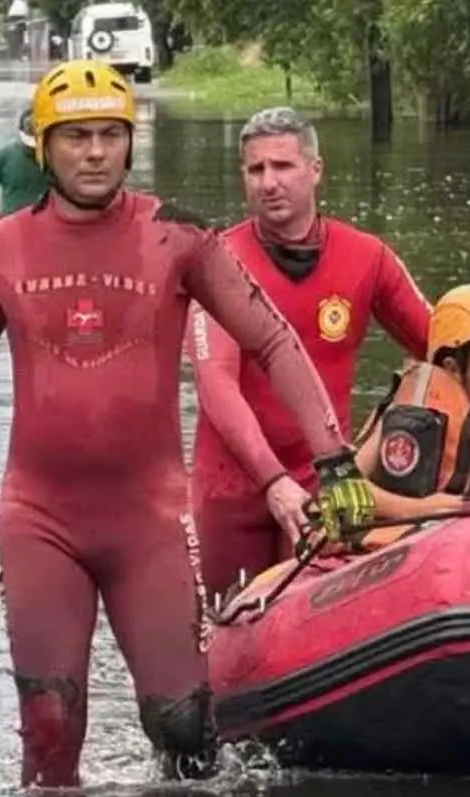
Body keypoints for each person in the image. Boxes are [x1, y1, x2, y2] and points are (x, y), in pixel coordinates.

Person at [0, 60, 377, 790]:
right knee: (51, 732)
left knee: (185, 733)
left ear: (130, 142)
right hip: (40, 520)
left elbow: (274, 340)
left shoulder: (178, 236)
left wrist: (335, 461)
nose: (94, 153)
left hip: (148, 521)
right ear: (44, 149)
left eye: (108, 136)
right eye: (75, 137)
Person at [186, 105, 432, 591]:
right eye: (255, 169)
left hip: (326, 483)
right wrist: (272, 481)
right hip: (232, 491)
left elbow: (447, 346)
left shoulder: (367, 257)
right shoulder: (216, 262)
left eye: (282, 166)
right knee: (220, 634)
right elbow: (216, 386)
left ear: (315, 170)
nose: (268, 182)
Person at [355, 281, 470, 520]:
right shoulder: (416, 406)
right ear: (453, 368)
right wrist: (420, 509)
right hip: (405, 538)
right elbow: (342, 489)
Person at [0, 110, 51, 222]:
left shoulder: (55, 158)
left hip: (45, 222)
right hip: (11, 222)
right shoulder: (2, 156)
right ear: (20, 132)